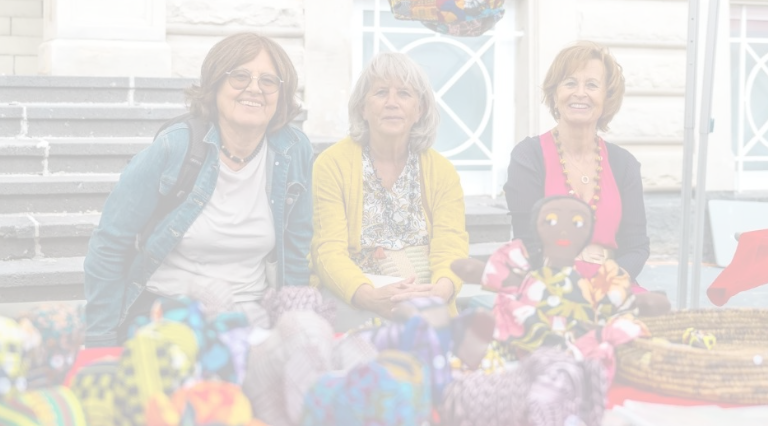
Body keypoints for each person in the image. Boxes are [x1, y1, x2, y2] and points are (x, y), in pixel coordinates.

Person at [84, 33, 314, 347]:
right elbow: (110, 243)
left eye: (269, 81)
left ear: (281, 95)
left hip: (252, 319)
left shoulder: (293, 150)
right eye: (240, 76)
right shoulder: (175, 147)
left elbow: (296, 250)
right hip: (168, 316)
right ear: (215, 85)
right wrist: (101, 339)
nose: (255, 88)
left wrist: (292, 328)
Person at [311, 52, 468, 327]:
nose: (392, 103)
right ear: (363, 108)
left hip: (427, 306)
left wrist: (441, 290)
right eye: (381, 92)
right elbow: (328, 251)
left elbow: (452, 245)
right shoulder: (331, 165)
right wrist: (369, 296)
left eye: (404, 94)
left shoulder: (442, 172)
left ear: (419, 110)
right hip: (357, 304)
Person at [503, 40, 650, 283]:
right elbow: (527, 244)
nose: (580, 92)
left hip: (611, 285)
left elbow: (637, 248)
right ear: (555, 93)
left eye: (592, 85)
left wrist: (606, 281)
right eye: (570, 83)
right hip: (547, 286)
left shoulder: (624, 164)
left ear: (607, 98)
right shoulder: (528, 156)